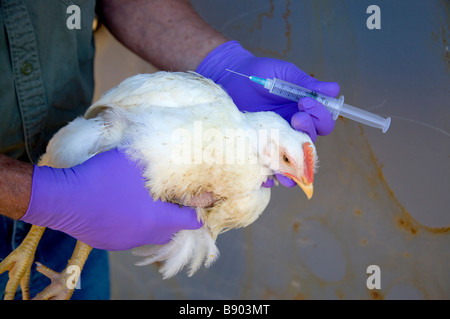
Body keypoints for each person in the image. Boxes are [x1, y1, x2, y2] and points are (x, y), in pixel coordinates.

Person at [0, 0, 338, 299]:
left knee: (92, 202)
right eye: (284, 158)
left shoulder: (251, 189)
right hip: (60, 159)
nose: (300, 181)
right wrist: (39, 196)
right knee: (81, 179)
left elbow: (100, 200)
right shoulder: (198, 111)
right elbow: (94, 154)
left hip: (73, 236)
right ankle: (32, 239)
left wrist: (222, 60)